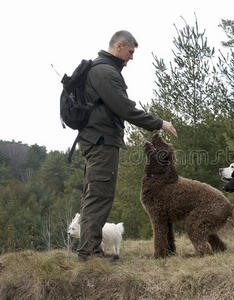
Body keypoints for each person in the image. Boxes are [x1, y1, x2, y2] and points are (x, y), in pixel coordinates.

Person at [77, 30, 177, 261]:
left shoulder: (102, 70)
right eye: (130, 51)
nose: (131, 57)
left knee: (94, 193)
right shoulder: (104, 72)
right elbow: (125, 109)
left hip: (97, 140)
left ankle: (88, 250)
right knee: (99, 195)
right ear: (119, 45)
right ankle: (90, 254)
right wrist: (159, 123)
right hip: (101, 142)